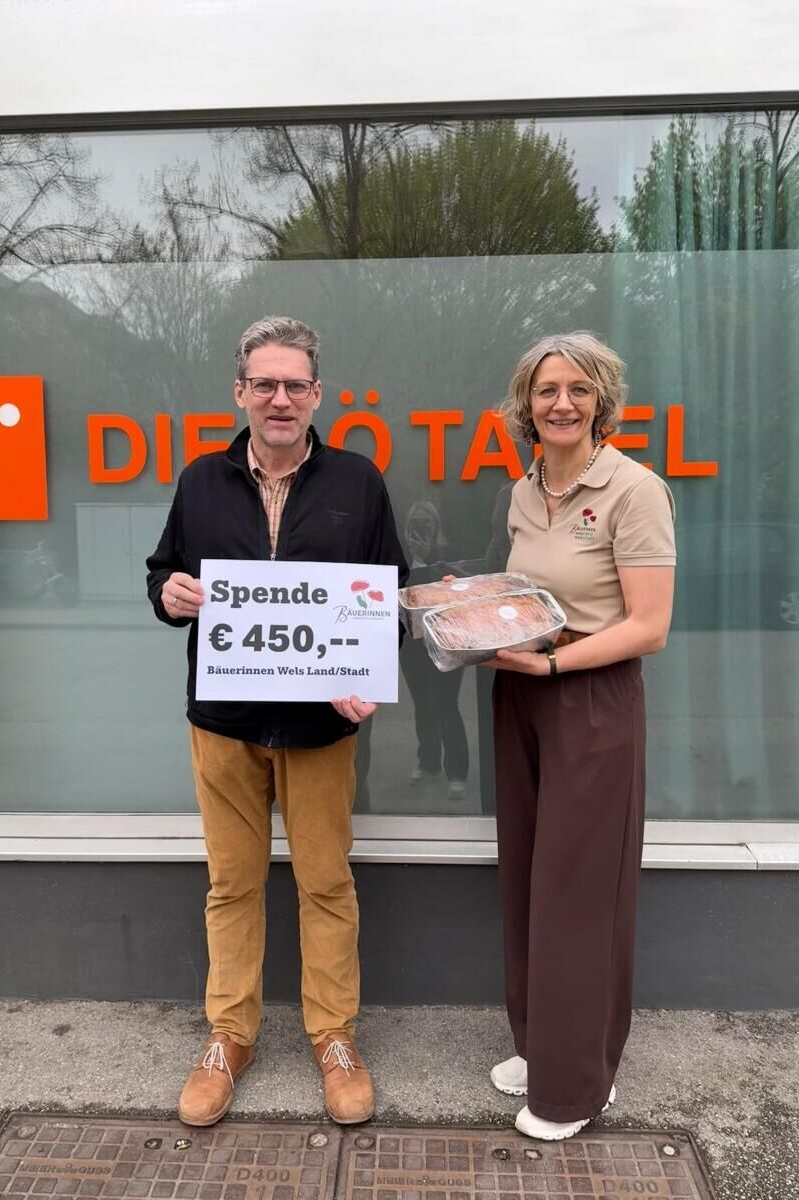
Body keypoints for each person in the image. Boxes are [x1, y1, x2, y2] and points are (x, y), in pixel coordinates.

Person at [146, 315, 408, 1128]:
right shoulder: (200, 479)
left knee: (326, 883)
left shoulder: (359, 483)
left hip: (319, 731)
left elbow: (390, 597)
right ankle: (230, 1037)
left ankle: (334, 1037)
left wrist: (366, 670)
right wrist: (168, 595)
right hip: (224, 725)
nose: (280, 398)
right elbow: (163, 573)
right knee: (232, 884)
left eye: (295, 384)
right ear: (241, 392)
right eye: (265, 384)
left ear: (317, 394)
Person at [485, 331, 676, 1140]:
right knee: (531, 876)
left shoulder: (634, 489)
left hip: (589, 697)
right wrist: (472, 609)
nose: (561, 403)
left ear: (602, 402)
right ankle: (542, 1045)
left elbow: (650, 626)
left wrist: (557, 665)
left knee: (579, 889)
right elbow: (531, 595)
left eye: (578, 389)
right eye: (546, 390)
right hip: (522, 693)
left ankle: (576, 1087)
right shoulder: (524, 490)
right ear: (525, 405)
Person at [400, 500, 469, 800]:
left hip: (446, 637)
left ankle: (457, 771)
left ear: (437, 524)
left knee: (446, 703)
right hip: (412, 640)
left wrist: (429, 556)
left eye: (426, 522)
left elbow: (457, 588)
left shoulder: (450, 553)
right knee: (422, 703)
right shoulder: (400, 555)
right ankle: (428, 763)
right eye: (415, 522)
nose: (420, 527)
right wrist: (412, 556)